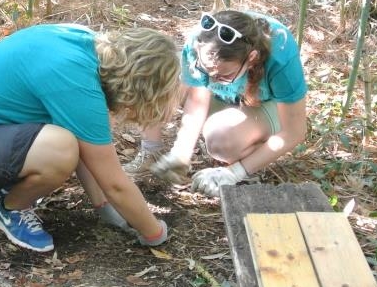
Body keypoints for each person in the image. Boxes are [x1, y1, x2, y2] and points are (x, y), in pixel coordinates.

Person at [0, 23, 182, 253]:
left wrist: (103, 206)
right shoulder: (74, 79)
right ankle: (11, 209)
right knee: (60, 148)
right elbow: (115, 184)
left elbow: (88, 149)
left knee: (65, 141)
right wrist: (154, 232)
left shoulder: (83, 46)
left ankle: (3, 185)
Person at [124, 10, 307, 198]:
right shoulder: (202, 41)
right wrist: (182, 151)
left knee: (221, 139)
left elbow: (295, 132)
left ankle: (251, 158)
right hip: (225, 98)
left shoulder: (281, 53)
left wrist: (235, 172)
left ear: (251, 58)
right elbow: (198, 97)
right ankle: (151, 151)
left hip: (263, 105)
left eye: (223, 75)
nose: (211, 81)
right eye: (206, 71)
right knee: (154, 77)